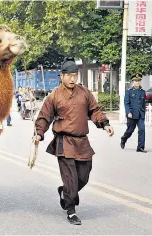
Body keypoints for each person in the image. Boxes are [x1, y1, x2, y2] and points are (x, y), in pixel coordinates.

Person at [34, 57, 114, 225]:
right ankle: (71, 211)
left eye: (75, 75)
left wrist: (105, 123)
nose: (72, 79)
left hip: (82, 141)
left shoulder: (84, 93)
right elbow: (44, 117)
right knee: (71, 178)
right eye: (68, 75)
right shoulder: (54, 96)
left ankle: (64, 192)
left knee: (83, 177)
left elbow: (95, 110)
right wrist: (39, 133)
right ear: (61, 76)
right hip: (64, 142)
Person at [120, 73, 147, 153]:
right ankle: (123, 139)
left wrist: (143, 112)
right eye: (135, 81)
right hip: (131, 115)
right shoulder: (129, 92)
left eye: (139, 81)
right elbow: (126, 103)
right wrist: (128, 112)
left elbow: (143, 103)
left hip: (140, 115)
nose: (137, 82)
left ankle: (140, 147)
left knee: (142, 130)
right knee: (130, 131)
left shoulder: (143, 92)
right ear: (133, 82)